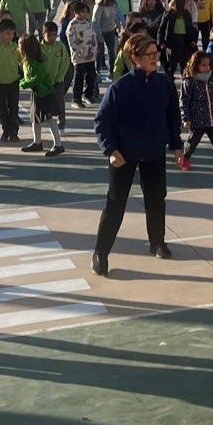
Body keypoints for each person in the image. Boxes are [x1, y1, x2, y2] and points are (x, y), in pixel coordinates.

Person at [91, 34, 183, 276]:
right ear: (135, 58)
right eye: (150, 55)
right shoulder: (119, 88)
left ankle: (157, 242)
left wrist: (177, 146)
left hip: (154, 153)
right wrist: (110, 149)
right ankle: (101, 252)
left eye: (156, 54)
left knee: (156, 199)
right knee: (115, 204)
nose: (156, 58)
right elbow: (102, 122)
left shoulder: (164, 84)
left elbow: (173, 118)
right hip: (124, 155)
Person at [18, 34, 64, 156]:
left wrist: (23, 83)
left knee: (49, 119)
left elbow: (37, 78)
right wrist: (24, 82)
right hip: (37, 93)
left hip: (45, 94)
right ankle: (37, 142)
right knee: (35, 118)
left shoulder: (36, 63)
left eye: (20, 45)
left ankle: (58, 145)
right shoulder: (28, 61)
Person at [67, 2, 99, 107]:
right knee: (79, 77)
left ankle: (88, 95)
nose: (85, 14)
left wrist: (93, 50)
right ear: (76, 12)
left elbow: (93, 38)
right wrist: (82, 52)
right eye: (82, 12)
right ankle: (76, 99)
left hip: (90, 56)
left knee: (91, 76)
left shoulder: (88, 24)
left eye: (86, 12)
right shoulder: (72, 25)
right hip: (79, 57)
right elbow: (72, 42)